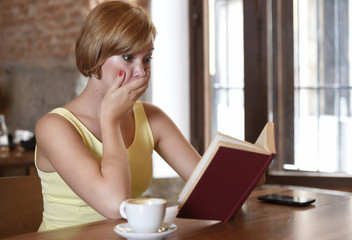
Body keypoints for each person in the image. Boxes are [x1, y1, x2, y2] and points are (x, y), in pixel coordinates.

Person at [35, 0, 265, 231]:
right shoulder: (53, 127)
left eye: (147, 59)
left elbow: (207, 187)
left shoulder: (151, 117)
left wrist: (246, 176)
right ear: (95, 54)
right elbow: (115, 205)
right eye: (127, 57)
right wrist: (111, 120)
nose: (141, 73)